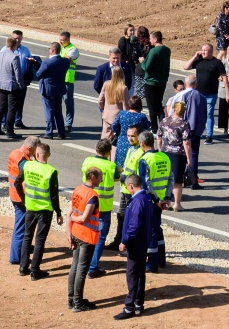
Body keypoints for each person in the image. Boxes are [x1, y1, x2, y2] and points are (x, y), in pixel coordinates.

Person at [16, 141, 62, 279]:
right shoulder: (51, 171)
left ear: (36, 153)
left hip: (30, 207)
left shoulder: (28, 165)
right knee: (40, 239)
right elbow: (54, 195)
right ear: (49, 155)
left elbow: (17, 182)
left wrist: (24, 200)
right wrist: (58, 212)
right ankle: (35, 271)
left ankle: (23, 267)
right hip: (45, 210)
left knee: (27, 236)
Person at [116, 174, 158, 320]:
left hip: (136, 243)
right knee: (140, 273)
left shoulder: (137, 201)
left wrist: (124, 241)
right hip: (143, 242)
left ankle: (129, 307)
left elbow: (133, 226)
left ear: (131, 186)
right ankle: (139, 303)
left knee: (132, 274)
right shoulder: (146, 198)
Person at [82, 140, 120, 278]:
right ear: (109, 152)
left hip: (87, 204)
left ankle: (84, 264)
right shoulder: (111, 166)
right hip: (104, 207)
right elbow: (117, 177)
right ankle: (92, 268)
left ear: (95, 148)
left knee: (86, 234)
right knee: (100, 237)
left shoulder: (87, 161)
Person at [67, 167, 103, 312]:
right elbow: (83, 217)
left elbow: (70, 211)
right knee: (82, 269)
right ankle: (78, 302)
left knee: (74, 267)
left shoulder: (77, 190)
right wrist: (72, 219)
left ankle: (72, 299)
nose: (101, 179)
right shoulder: (92, 195)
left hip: (75, 233)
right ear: (93, 177)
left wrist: (68, 232)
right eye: (100, 177)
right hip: (87, 236)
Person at [136, 131, 171, 272]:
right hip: (161, 200)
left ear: (142, 144)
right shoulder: (165, 157)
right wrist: (165, 198)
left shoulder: (144, 160)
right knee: (157, 229)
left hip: (151, 201)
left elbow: (145, 183)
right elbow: (171, 179)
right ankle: (161, 259)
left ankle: (152, 264)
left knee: (150, 231)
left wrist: (156, 200)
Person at [184, 42, 229, 145]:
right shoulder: (199, 61)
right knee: (197, 114)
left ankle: (209, 136)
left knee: (209, 114)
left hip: (211, 94)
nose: (203, 52)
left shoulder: (217, 62)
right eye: (202, 50)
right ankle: (197, 132)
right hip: (198, 94)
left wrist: (227, 93)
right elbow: (186, 67)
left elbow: (224, 77)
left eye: (205, 50)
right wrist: (195, 56)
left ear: (211, 52)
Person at [6, 136, 41, 265]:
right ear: (29, 148)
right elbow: (31, 173)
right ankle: (16, 257)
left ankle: (22, 248)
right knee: (21, 227)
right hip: (21, 197)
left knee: (22, 225)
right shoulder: (23, 160)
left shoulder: (15, 153)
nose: (35, 154)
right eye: (34, 151)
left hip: (14, 194)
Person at [109, 124, 144, 251]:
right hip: (125, 189)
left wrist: (123, 178)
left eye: (133, 136)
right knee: (121, 216)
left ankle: (127, 244)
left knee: (129, 219)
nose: (130, 139)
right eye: (128, 136)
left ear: (139, 137)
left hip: (132, 191)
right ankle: (118, 240)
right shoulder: (131, 149)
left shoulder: (140, 152)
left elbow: (138, 174)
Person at [158, 101, 193, 211]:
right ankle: (177, 204)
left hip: (165, 151)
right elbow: (186, 142)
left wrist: (160, 150)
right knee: (177, 180)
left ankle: (165, 202)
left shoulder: (164, 121)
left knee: (165, 178)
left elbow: (159, 137)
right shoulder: (184, 124)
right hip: (178, 154)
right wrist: (189, 157)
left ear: (173, 109)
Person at [35, 42, 70, 139]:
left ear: (52, 50)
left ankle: (49, 132)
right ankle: (61, 133)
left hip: (48, 90)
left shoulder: (47, 62)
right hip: (59, 89)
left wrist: (37, 65)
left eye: (49, 49)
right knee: (58, 111)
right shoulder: (65, 62)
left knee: (49, 111)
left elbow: (38, 74)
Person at [0, 36, 24, 137]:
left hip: (2, 84)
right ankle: (10, 131)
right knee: (12, 109)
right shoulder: (14, 57)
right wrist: (21, 86)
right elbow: (18, 74)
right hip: (12, 86)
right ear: (14, 45)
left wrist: (0, 78)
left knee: (1, 106)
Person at [140, 31, 171, 125]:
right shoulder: (167, 50)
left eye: (151, 38)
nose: (150, 40)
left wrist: (142, 61)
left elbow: (147, 67)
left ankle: (154, 128)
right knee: (158, 104)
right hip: (162, 82)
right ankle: (163, 125)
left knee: (151, 107)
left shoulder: (153, 51)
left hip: (151, 82)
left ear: (155, 39)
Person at [98, 66, 128, 141]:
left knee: (105, 137)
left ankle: (102, 151)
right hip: (117, 117)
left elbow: (100, 100)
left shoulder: (106, 84)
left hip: (107, 115)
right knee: (114, 140)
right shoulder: (123, 88)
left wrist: (103, 109)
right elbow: (125, 106)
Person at [11, 30, 34, 129]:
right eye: (15, 38)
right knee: (9, 103)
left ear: (22, 38)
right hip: (12, 80)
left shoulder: (25, 50)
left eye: (19, 38)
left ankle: (18, 120)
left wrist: (31, 60)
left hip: (23, 79)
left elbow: (30, 59)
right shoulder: (6, 49)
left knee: (20, 101)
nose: (17, 40)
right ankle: (4, 122)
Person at [59, 31, 81, 133]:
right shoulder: (61, 48)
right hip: (58, 78)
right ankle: (58, 123)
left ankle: (68, 124)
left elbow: (64, 60)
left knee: (68, 102)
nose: (61, 42)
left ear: (68, 40)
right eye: (60, 39)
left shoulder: (73, 49)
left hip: (67, 79)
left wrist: (62, 59)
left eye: (63, 40)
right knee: (57, 102)